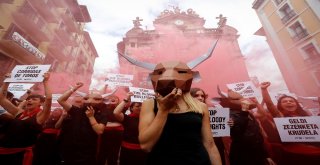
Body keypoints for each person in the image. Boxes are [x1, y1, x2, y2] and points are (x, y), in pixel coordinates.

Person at [0, 72, 52, 165]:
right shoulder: (19, 112)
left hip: (19, 156)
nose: (29, 100)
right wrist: (7, 81)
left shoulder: (40, 116)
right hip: (3, 151)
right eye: (29, 99)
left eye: (34, 99)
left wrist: (46, 82)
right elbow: (2, 99)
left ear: (40, 103)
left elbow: (48, 99)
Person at [215, 88, 275, 165]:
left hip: (258, 155)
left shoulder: (248, 113)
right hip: (243, 156)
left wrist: (265, 155)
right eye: (238, 99)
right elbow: (237, 130)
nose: (244, 100)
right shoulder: (227, 114)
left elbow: (257, 136)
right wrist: (244, 111)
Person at [57, 82, 108, 165]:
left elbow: (99, 131)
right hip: (71, 148)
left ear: (101, 101)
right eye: (87, 98)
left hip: (88, 150)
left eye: (96, 99)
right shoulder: (77, 111)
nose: (90, 101)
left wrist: (91, 117)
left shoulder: (102, 115)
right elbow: (61, 100)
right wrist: (74, 88)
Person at [190, 87, 228, 165]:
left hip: (215, 145)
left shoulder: (212, 111)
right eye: (196, 95)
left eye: (202, 96)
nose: (200, 98)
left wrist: (227, 123)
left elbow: (218, 131)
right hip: (197, 150)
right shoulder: (186, 115)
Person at [113, 92, 147, 165]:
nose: (141, 108)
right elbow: (116, 113)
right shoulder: (127, 118)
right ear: (131, 108)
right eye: (138, 106)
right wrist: (126, 99)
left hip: (143, 151)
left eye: (142, 106)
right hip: (127, 150)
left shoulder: (148, 119)